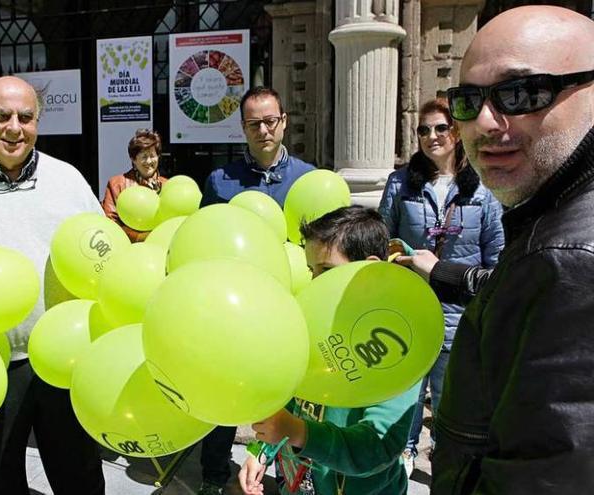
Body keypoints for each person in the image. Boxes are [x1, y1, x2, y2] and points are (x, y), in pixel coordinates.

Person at [431, 6, 594, 493]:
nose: (483, 121)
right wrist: (445, 273)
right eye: (467, 100)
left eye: (520, 93)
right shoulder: (550, 224)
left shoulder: (567, 258)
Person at [0, 76, 106, 495]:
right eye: (1, 116)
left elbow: (102, 256)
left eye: (25, 116)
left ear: (37, 121)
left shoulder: (69, 179)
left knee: (81, 478)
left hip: (65, 359)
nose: (14, 128)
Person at [239, 206, 418, 495]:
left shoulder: (397, 345)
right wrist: (260, 449)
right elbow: (288, 394)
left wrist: (298, 432)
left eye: (326, 270)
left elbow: (378, 445)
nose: (315, 284)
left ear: (368, 269)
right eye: (312, 271)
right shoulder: (314, 318)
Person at [197, 86, 316, 495]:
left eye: (270, 121)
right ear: (242, 128)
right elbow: (206, 239)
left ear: (283, 121)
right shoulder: (220, 180)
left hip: (290, 309)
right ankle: (213, 474)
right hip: (234, 309)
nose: (263, 129)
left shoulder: (309, 180)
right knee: (224, 390)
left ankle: (286, 475)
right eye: (254, 123)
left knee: (288, 396)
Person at [377, 98, 504, 475]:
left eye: (440, 128)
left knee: (451, 398)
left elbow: (495, 254)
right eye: (423, 129)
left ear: (457, 132)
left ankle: (446, 462)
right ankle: (404, 453)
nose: (431, 136)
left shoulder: (481, 186)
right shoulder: (400, 183)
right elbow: (383, 238)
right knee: (407, 394)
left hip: (460, 314)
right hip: (410, 309)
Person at [101, 128, 168, 242]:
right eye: (143, 157)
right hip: (128, 248)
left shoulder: (168, 185)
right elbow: (111, 222)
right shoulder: (117, 184)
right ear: (133, 159)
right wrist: (139, 237)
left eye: (152, 156)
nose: (149, 161)